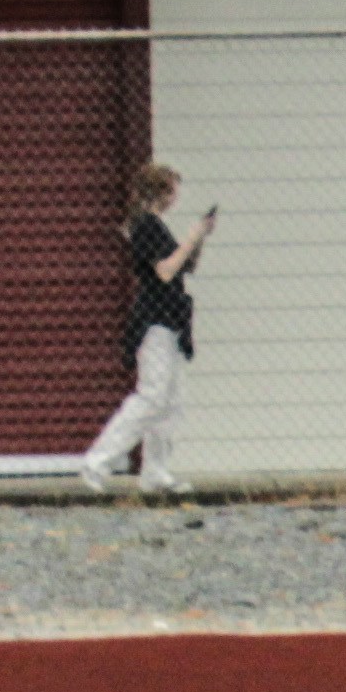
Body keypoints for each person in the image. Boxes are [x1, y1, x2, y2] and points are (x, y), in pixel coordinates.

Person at [78, 163, 213, 496]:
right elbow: (166, 271)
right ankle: (97, 462)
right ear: (161, 193)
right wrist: (192, 236)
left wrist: (199, 240)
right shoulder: (145, 227)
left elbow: (184, 264)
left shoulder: (156, 227)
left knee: (172, 400)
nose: (176, 196)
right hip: (155, 321)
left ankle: (156, 472)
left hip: (172, 320)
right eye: (173, 189)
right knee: (152, 395)